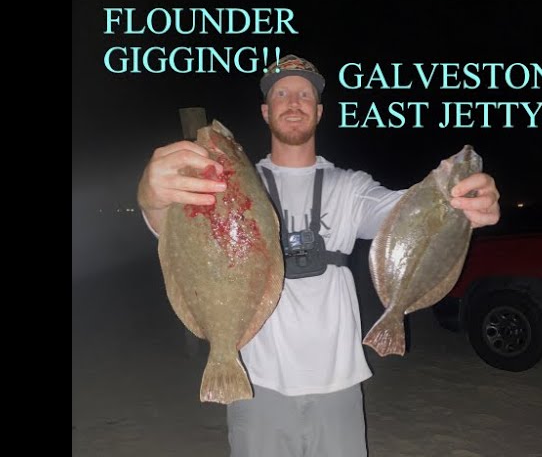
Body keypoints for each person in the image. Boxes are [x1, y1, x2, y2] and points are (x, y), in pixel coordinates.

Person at [137, 54, 500, 457]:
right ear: (265, 110)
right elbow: (173, 230)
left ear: (319, 110)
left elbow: (403, 215)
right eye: (281, 94)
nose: (293, 101)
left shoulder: (350, 187)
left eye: (304, 94)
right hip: (256, 383)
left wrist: (458, 203)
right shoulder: (231, 187)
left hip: (339, 388)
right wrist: (151, 197)